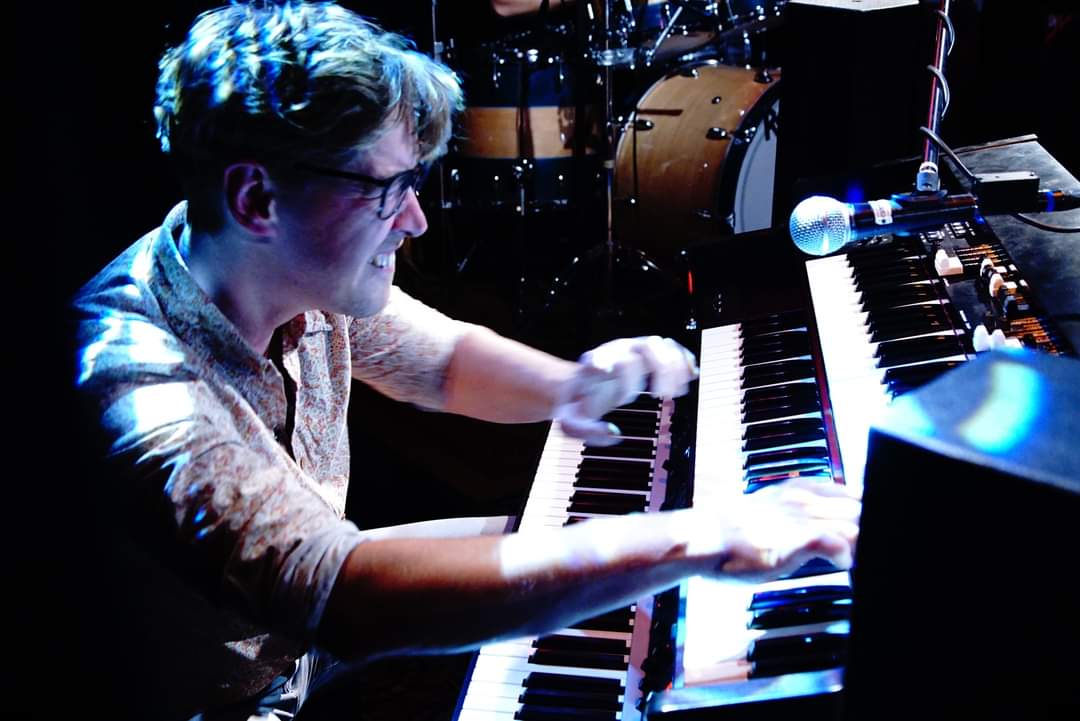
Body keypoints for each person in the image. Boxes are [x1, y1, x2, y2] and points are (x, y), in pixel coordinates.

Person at [72, 2, 860, 719]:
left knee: (588, 556)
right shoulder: (139, 385)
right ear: (257, 200)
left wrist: (575, 385)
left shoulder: (283, 272)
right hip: (231, 701)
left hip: (301, 648)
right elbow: (349, 597)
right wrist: (703, 536)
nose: (415, 219)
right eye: (389, 188)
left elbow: (443, 363)